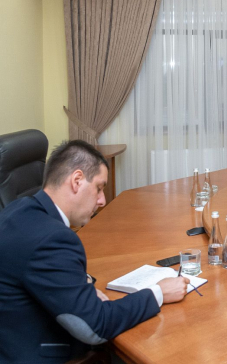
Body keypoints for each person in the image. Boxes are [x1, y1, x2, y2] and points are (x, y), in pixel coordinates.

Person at [0, 140, 189, 363]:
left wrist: (81, 281)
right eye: (99, 188)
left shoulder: (17, 209)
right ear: (77, 181)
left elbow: (36, 267)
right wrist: (158, 293)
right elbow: (96, 327)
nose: (102, 200)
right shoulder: (54, 239)